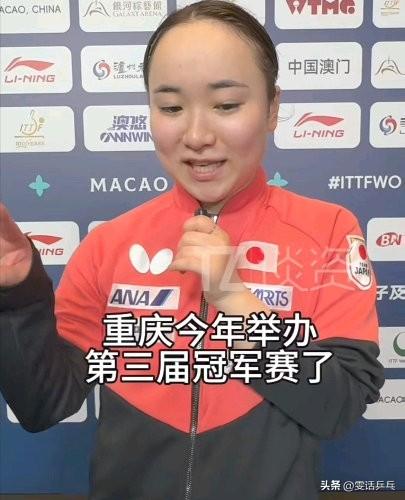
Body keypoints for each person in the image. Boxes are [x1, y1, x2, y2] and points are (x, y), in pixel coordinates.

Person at [0, 1, 385, 499]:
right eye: (171, 108)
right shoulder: (110, 243)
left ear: (272, 108)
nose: (197, 136)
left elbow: (340, 406)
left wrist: (236, 302)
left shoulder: (328, 231)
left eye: (226, 105)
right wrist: (19, 296)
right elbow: (43, 405)